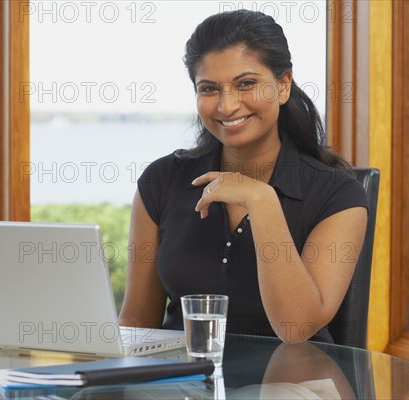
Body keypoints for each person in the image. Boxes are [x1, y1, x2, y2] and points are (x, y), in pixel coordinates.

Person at [118, 9, 369, 343]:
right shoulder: (161, 181)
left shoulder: (338, 195)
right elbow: (138, 321)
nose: (227, 105)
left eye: (246, 84)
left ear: (283, 86)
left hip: (294, 388)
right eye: (208, 89)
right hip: (183, 385)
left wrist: (261, 200)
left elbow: (297, 328)